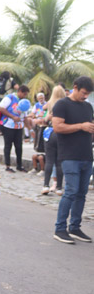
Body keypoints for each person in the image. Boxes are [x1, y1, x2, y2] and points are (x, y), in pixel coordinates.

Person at [52, 76, 94, 244]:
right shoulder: (62, 104)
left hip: (86, 155)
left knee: (81, 194)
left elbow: (88, 127)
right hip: (69, 156)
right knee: (70, 191)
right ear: (75, 87)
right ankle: (60, 228)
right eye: (83, 93)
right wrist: (81, 126)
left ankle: (75, 227)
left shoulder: (88, 106)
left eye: (88, 94)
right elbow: (57, 127)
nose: (85, 97)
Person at [0, 84, 31, 172]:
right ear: (20, 92)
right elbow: (1, 108)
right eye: (24, 94)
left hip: (19, 126)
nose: (25, 96)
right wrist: (12, 117)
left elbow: (25, 116)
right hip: (8, 125)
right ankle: (7, 165)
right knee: (8, 145)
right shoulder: (10, 98)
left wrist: (30, 129)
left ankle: (19, 165)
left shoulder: (24, 102)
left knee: (19, 146)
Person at [40, 85, 66, 195]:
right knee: (59, 162)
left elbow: (45, 117)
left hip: (50, 132)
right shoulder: (66, 103)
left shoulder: (50, 103)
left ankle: (46, 185)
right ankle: (59, 187)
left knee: (49, 160)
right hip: (62, 133)